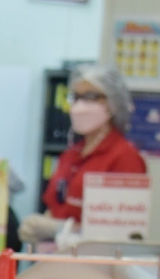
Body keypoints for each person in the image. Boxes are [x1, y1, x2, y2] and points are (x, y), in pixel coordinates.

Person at [27, 62, 146, 236]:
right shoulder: (71, 154)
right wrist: (40, 228)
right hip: (58, 251)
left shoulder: (125, 157)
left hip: (94, 253)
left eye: (90, 97)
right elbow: (54, 204)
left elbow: (122, 230)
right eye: (75, 97)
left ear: (113, 102)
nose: (80, 106)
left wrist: (62, 230)